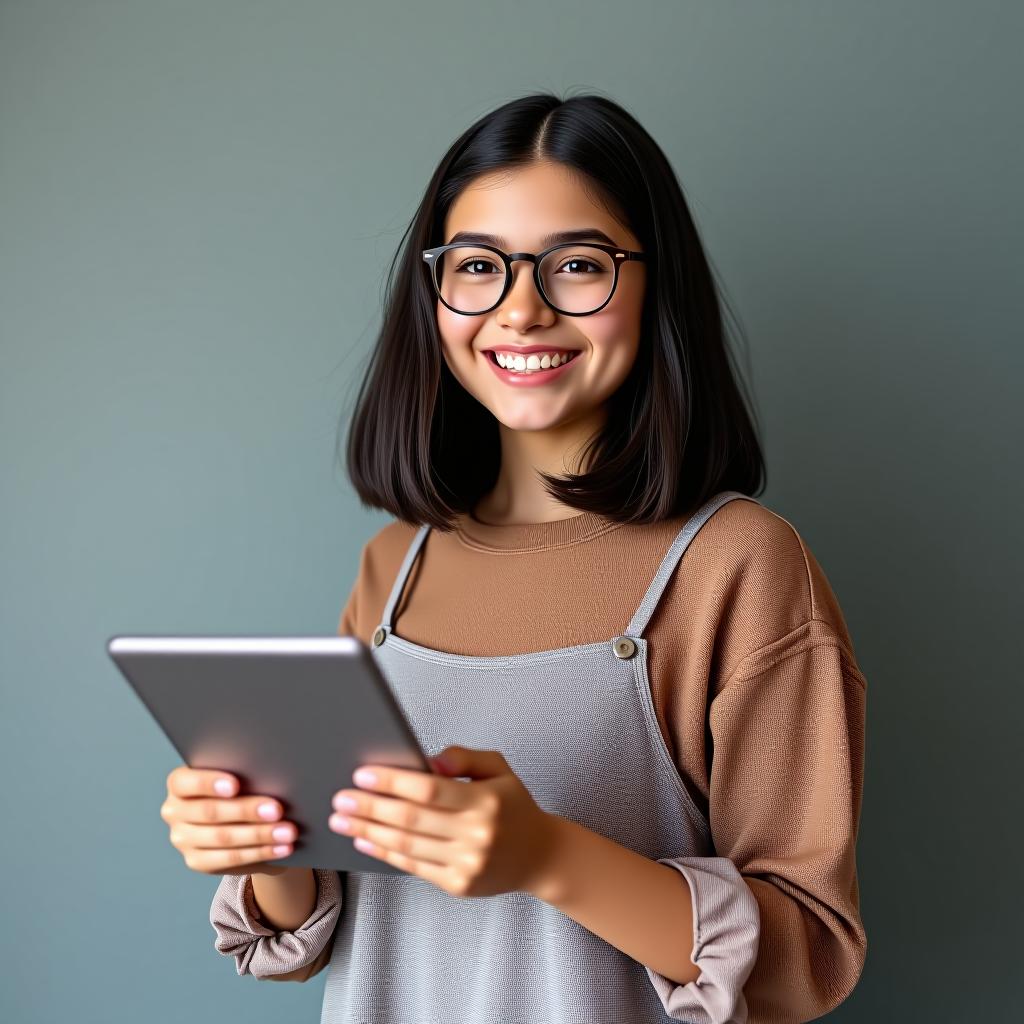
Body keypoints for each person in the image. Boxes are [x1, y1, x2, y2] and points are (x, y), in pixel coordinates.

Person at [162, 92, 868, 1023]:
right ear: (436, 292)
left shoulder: (740, 566)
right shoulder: (392, 569)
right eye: (477, 267)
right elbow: (315, 930)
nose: (521, 310)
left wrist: (544, 856)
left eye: (577, 265)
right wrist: (260, 845)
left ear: (657, 285)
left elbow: (804, 958)